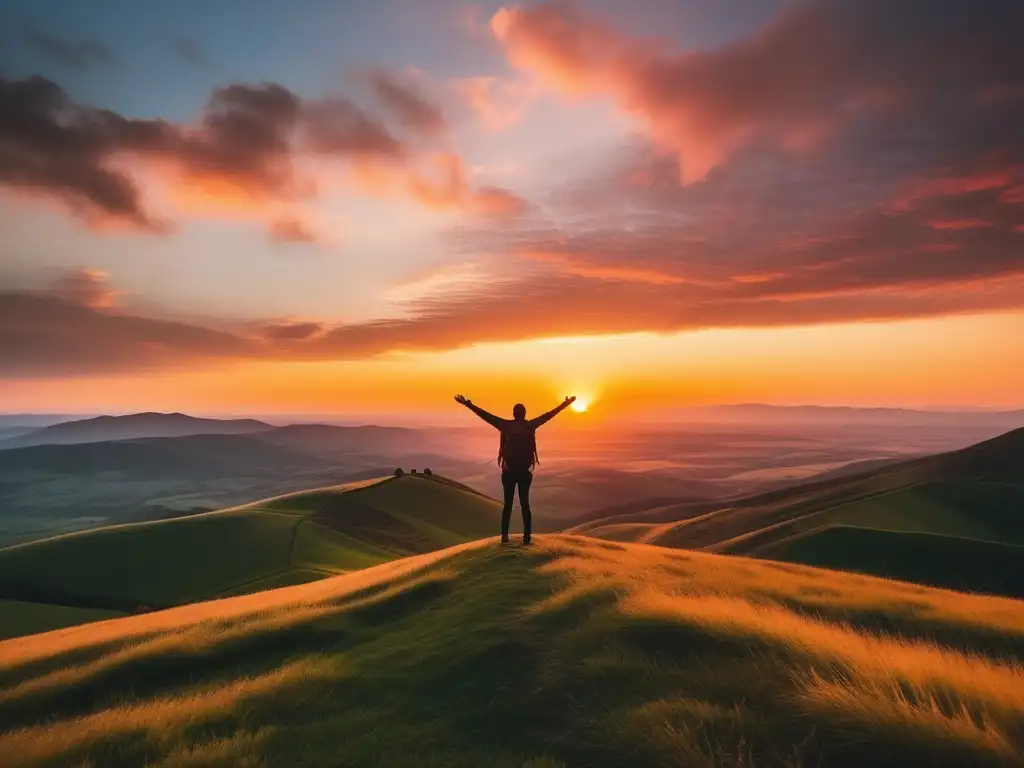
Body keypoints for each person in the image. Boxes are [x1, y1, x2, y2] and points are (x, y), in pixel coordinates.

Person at [454, 394, 576, 545]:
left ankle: (504, 537)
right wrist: (567, 403)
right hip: (525, 472)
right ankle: (527, 538)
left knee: (508, 505)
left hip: (509, 472)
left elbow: (486, 416)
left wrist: (468, 404)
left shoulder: (505, 426)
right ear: (524, 414)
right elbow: (549, 415)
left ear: (513, 414)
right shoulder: (530, 426)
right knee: (525, 504)